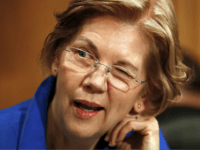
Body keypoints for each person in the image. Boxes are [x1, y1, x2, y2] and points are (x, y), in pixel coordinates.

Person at [0, 0, 191, 149]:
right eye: (83, 54)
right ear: (57, 56)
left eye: (122, 71)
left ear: (145, 96)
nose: (96, 82)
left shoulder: (150, 145)